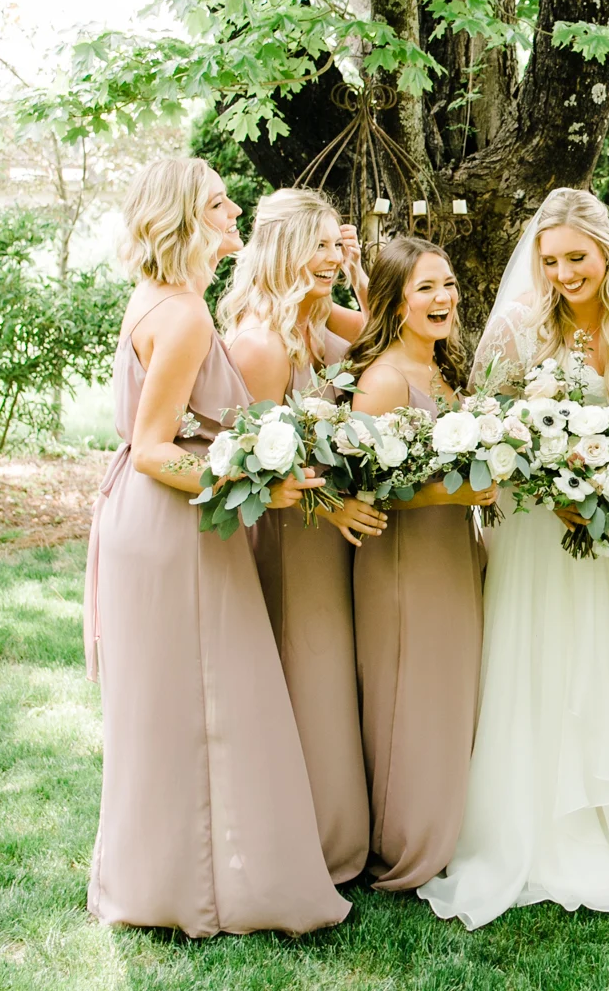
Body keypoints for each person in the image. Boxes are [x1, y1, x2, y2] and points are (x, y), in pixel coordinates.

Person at [84, 158, 348, 937]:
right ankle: (217, 890)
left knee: (173, 708)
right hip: (176, 522)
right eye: (219, 203)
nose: (236, 211)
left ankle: (175, 885)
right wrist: (259, 486)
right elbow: (155, 447)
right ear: (183, 219)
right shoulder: (188, 316)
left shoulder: (163, 299)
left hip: (161, 520)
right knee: (213, 703)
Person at [418, 188, 609, 929]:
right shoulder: (516, 324)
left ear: (606, 248)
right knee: (548, 659)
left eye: (577, 257)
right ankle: (541, 822)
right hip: (542, 525)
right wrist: (548, 480)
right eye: (551, 262)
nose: (564, 274)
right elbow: (485, 424)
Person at [222, 188, 383, 885]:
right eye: (317, 245)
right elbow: (262, 473)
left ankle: (335, 834)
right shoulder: (260, 342)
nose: (327, 257)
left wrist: (353, 271)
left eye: (332, 244)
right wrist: (336, 509)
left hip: (323, 529)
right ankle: (304, 844)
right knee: (304, 673)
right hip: (292, 534)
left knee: (327, 676)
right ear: (285, 249)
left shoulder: (310, 321)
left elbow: (384, 337)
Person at [349, 237, 491, 891]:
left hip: (451, 552)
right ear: (394, 300)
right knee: (410, 698)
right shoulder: (382, 381)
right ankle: (407, 846)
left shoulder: (441, 371)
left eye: (448, 285)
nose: (444, 299)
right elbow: (367, 490)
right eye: (426, 288)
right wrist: (460, 491)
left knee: (448, 695)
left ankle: (444, 827)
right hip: (403, 564)